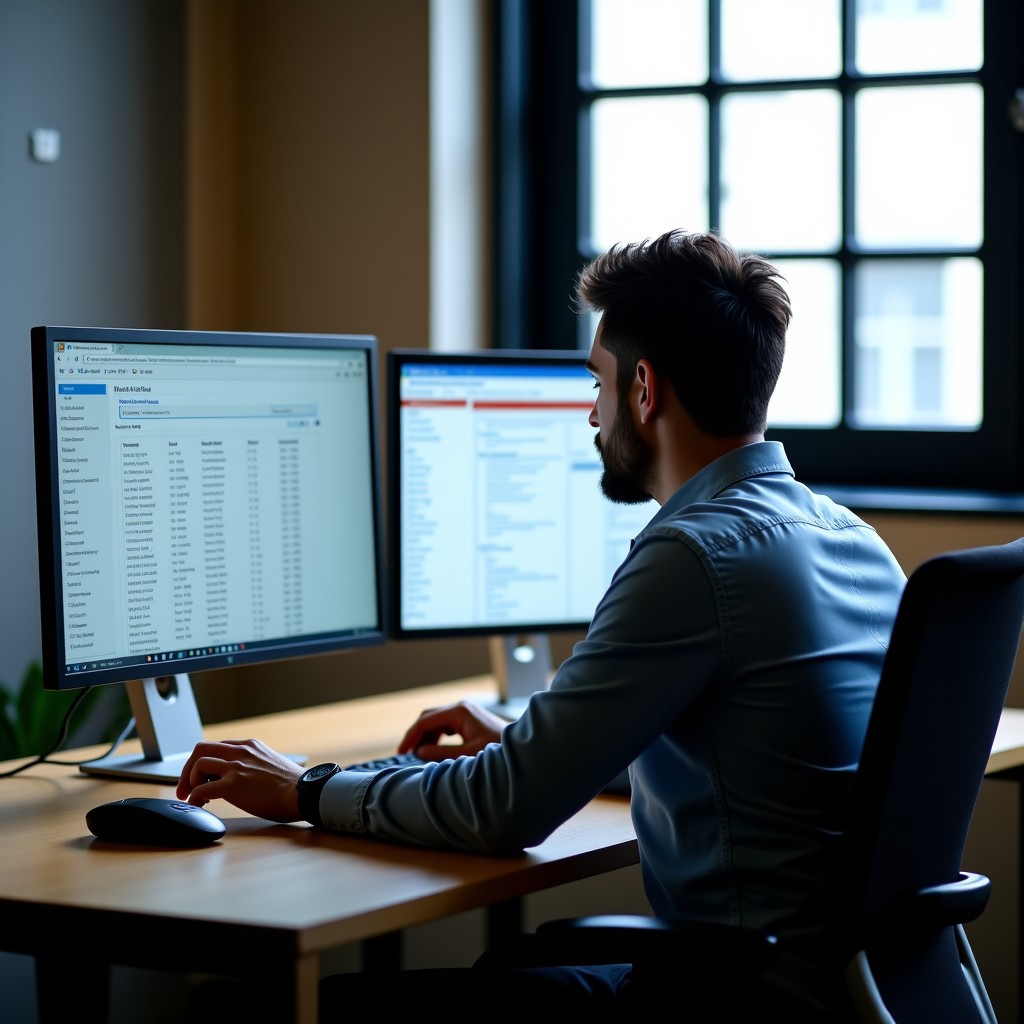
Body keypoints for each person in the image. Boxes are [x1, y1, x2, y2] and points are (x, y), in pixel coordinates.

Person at [177, 228, 907, 1017]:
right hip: (855, 993)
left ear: (643, 390)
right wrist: (544, 747)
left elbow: (506, 811)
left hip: (732, 1000)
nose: (591, 414)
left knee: (240, 1007)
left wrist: (308, 787)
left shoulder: (692, 558)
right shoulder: (851, 538)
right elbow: (758, 769)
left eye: (597, 382)